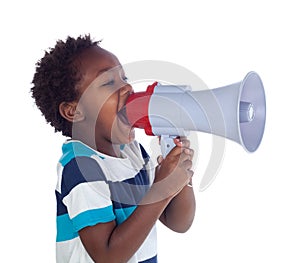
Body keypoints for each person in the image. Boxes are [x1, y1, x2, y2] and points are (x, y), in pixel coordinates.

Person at [31, 35, 196, 263]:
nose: (127, 86)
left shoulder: (133, 153)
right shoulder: (81, 166)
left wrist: (180, 175)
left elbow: (178, 222)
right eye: (108, 82)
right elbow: (108, 256)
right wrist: (163, 187)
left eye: (124, 78)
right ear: (74, 110)